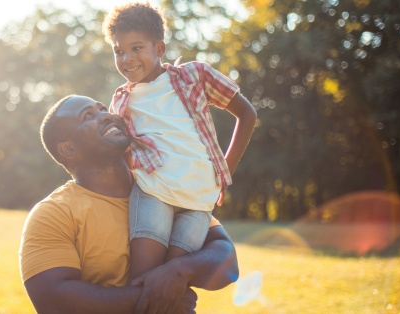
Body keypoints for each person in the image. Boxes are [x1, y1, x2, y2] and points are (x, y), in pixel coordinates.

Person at [19, 95, 239, 313]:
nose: (106, 116)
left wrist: (179, 271)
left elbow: (227, 258)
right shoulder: (53, 214)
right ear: (68, 150)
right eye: (88, 116)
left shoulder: (163, 186)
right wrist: (160, 298)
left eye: (103, 108)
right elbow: (53, 301)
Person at [101, 2, 257, 281]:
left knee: (172, 281)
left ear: (159, 49)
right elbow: (123, 154)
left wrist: (225, 172)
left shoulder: (194, 76)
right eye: (118, 51)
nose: (126, 58)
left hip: (198, 201)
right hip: (152, 195)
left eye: (136, 48)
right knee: (144, 278)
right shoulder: (121, 100)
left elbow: (247, 114)